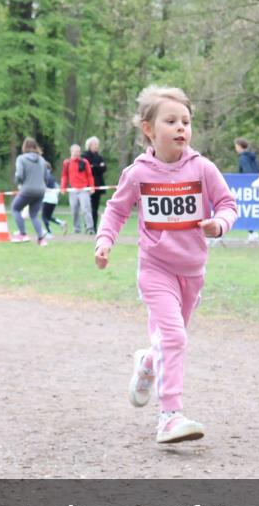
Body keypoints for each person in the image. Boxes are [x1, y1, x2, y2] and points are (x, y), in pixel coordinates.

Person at [94, 85, 237, 444]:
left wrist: (218, 225)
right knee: (174, 336)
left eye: (186, 122)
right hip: (155, 269)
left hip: (192, 271)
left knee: (169, 341)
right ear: (148, 129)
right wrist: (104, 241)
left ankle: (147, 363)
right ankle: (170, 416)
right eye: (171, 121)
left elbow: (228, 205)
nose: (181, 128)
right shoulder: (139, 173)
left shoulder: (203, 168)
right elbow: (116, 209)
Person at [11, 137, 50, 245]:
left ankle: (22, 234)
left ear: (24, 146)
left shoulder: (21, 159)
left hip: (27, 189)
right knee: (33, 215)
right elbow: (47, 176)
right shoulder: (42, 160)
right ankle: (41, 239)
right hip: (40, 191)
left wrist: (18, 182)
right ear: (36, 146)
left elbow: (19, 174)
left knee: (15, 208)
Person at [62, 144, 96, 235]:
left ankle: (89, 228)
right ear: (71, 152)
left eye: (78, 151)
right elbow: (64, 176)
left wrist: (92, 186)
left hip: (84, 190)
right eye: (75, 151)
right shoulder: (67, 163)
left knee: (86, 209)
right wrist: (63, 187)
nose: (77, 153)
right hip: (73, 190)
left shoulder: (84, 162)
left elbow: (89, 175)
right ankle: (77, 229)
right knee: (74, 210)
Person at [82, 137, 108, 231]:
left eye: (97, 145)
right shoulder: (85, 156)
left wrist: (94, 166)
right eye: (95, 144)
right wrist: (97, 166)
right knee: (88, 207)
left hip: (98, 186)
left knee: (95, 208)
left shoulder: (99, 156)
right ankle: (88, 227)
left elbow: (104, 168)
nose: (97, 146)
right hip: (87, 185)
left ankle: (94, 227)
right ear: (89, 145)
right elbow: (88, 169)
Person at [42, 161, 67, 238]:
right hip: (54, 199)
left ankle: (49, 233)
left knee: (44, 217)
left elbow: (43, 188)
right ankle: (61, 223)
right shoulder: (52, 177)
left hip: (47, 199)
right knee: (48, 216)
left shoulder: (44, 176)